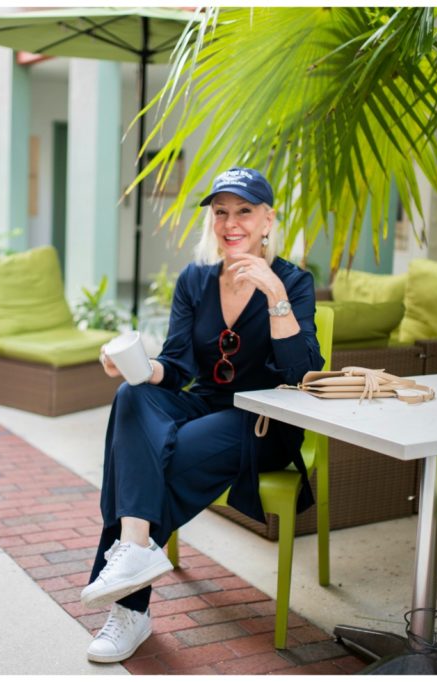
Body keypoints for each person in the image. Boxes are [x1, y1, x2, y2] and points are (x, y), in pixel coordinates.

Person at [83, 167, 324, 663]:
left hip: (265, 417)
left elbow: (299, 375)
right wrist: (136, 366)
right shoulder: (195, 280)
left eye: (244, 211)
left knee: (160, 462)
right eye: (221, 213)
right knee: (132, 397)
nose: (230, 223)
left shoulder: (294, 282)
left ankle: (130, 609)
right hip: (209, 404)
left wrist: (274, 295)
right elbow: (175, 367)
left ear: (267, 219)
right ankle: (133, 548)